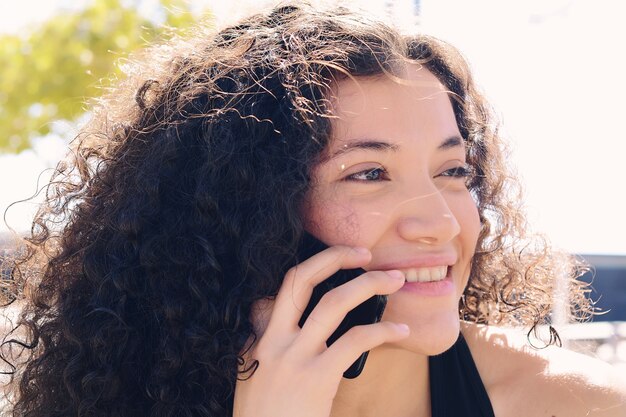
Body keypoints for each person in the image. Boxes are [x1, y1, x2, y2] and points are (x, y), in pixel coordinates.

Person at [1, 2, 625, 416]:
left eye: (452, 171)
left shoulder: (580, 404)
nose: (440, 222)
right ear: (245, 213)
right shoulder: (126, 396)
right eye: (369, 174)